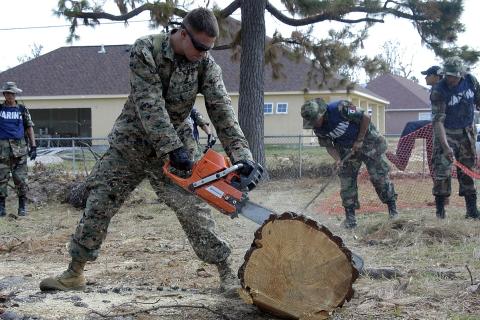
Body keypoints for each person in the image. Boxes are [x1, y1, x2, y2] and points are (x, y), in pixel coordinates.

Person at [39, 8, 256, 295]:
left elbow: (222, 111)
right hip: (130, 143)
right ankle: (75, 272)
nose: (204, 53)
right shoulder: (147, 49)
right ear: (182, 33)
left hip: (175, 150)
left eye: (209, 49)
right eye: (200, 47)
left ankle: (226, 273)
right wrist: (172, 147)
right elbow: (149, 104)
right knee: (101, 202)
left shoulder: (206, 65)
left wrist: (242, 157)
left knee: (194, 210)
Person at [301, 98, 398, 229]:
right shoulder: (318, 129)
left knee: (378, 177)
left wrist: (359, 139)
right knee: (347, 183)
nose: (315, 124)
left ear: (322, 113)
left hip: (369, 142)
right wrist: (337, 159)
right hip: (346, 150)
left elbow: (365, 116)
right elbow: (329, 146)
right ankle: (350, 220)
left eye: (316, 120)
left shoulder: (341, 108)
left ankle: (393, 212)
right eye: (311, 122)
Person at [430, 56, 480, 219]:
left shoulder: (471, 81)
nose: (448, 78)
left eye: (452, 75)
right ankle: (440, 214)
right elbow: (438, 121)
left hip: (467, 132)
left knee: (467, 170)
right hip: (447, 132)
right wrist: (445, 147)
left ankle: (472, 212)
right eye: (446, 75)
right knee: (442, 172)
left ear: (460, 75)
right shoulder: (439, 90)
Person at [386, 65, 443, 174]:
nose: (425, 78)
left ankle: (401, 160)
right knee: (432, 157)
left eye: (428, 75)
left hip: (441, 124)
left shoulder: (442, 89)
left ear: (436, 76)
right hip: (435, 125)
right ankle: (434, 175)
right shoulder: (436, 89)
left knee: (411, 126)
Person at [0, 82, 37, 218]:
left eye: (12, 94)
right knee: (1, 179)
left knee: (20, 179)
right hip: (2, 151)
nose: (10, 96)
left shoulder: (22, 109)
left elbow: (29, 128)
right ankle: (1, 207)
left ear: (15, 95)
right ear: (4, 94)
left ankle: (22, 207)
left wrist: (33, 146)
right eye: (8, 93)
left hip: (20, 151)